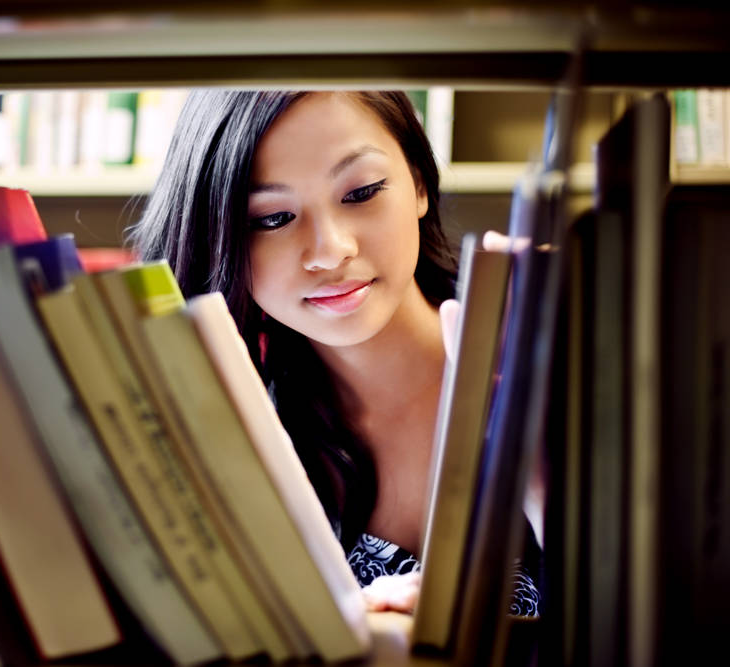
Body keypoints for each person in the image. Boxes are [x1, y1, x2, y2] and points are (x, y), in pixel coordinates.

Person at [128, 90, 540, 614]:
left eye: (362, 192)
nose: (331, 250)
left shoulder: (542, 366)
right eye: (274, 218)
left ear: (417, 183)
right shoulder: (228, 444)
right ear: (222, 238)